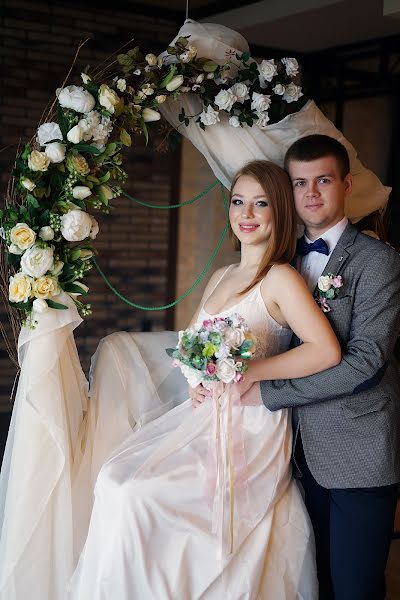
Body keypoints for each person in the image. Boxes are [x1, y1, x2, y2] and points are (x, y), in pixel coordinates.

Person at [68, 160, 341, 599]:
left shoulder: (280, 278)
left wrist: (251, 371)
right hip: (205, 414)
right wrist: (196, 377)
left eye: (260, 203)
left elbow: (326, 350)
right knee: (114, 477)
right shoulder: (222, 275)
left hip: (250, 426)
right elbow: (191, 344)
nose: (246, 214)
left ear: (279, 214)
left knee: (137, 493)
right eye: (238, 202)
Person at [259, 134, 400, 600]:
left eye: (323, 180)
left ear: (346, 184)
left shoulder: (377, 261)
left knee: (355, 587)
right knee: (308, 581)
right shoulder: (277, 261)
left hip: (358, 453)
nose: (312, 193)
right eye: (300, 183)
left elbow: (366, 363)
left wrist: (270, 391)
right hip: (293, 453)